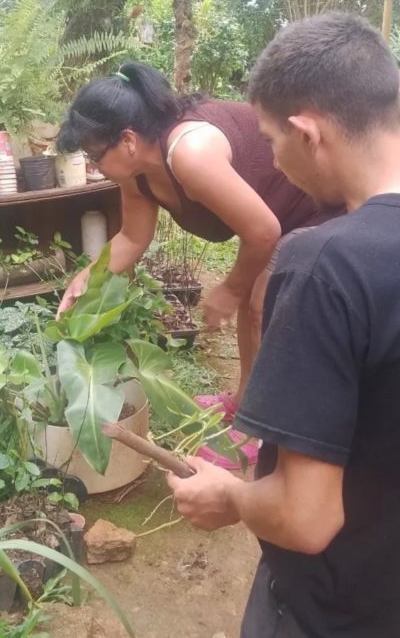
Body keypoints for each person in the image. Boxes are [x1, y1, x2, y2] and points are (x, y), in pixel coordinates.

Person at [167, 12, 400, 637]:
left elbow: (305, 517)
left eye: (270, 141)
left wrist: (231, 496)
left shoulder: (326, 263)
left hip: (322, 606)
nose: (272, 160)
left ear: (308, 133)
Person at [55, 61, 340, 435]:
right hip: (274, 220)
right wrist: (86, 280)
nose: (94, 166)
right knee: (252, 304)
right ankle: (245, 402)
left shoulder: (190, 152)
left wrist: (230, 289)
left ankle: (261, 427)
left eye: (95, 156)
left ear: (127, 140)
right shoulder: (136, 173)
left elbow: (263, 231)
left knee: (258, 305)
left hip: (316, 206)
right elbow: (132, 238)